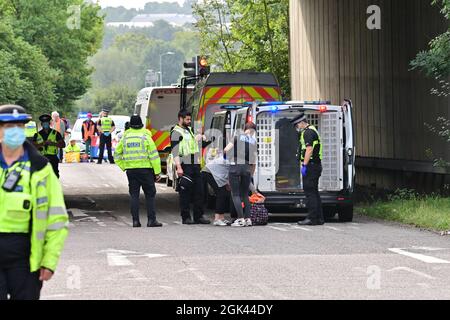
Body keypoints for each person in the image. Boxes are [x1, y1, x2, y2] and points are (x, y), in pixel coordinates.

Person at [0, 104, 68, 300]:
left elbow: (57, 219)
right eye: (7, 126)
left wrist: (49, 261)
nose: (14, 131)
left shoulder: (41, 169)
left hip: (26, 258)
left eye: (19, 126)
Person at [115, 115, 163, 228]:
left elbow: (116, 155)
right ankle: (151, 220)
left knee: (134, 195)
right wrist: (157, 172)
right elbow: (154, 156)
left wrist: (124, 166)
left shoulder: (125, 138)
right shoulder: (145, 137)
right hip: (146, 170)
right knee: (150, 195)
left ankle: (135, 221)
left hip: (131, 171)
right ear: (141, 124)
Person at [170, 110, 211, 225]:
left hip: (195, 164)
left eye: (189, 119)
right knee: (185, 192)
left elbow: (194, 145)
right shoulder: (175, 132)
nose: (189, 121)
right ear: (180, 118)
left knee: (199, 191)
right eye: (187, 119)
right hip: (184, 163)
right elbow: (175, 151)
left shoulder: (189, 130)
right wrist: (179, 167)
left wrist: (203, 139)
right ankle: (186, 217)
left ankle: (199, 216)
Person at [291, 113, 324, 226]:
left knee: (310, 193)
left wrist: (304, 165)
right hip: (315, 166)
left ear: (301, 122)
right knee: (314, 192)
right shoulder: (312, 130)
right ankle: (319, 218)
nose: (297, 127)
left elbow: (309, 150)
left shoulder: (308, 132)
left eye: (297, 125)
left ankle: (312, 218)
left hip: (311, 166)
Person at [224, 122, 258, 227]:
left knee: (235, 194)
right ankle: (248, 219)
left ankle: (240, 219)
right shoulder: (253, 141)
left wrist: (227, 157)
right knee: (245, 195)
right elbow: (253, 161)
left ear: (245, 129)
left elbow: (226, 149)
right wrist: (250, 174)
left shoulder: (237, 136)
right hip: (247, 168)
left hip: (235, 166)